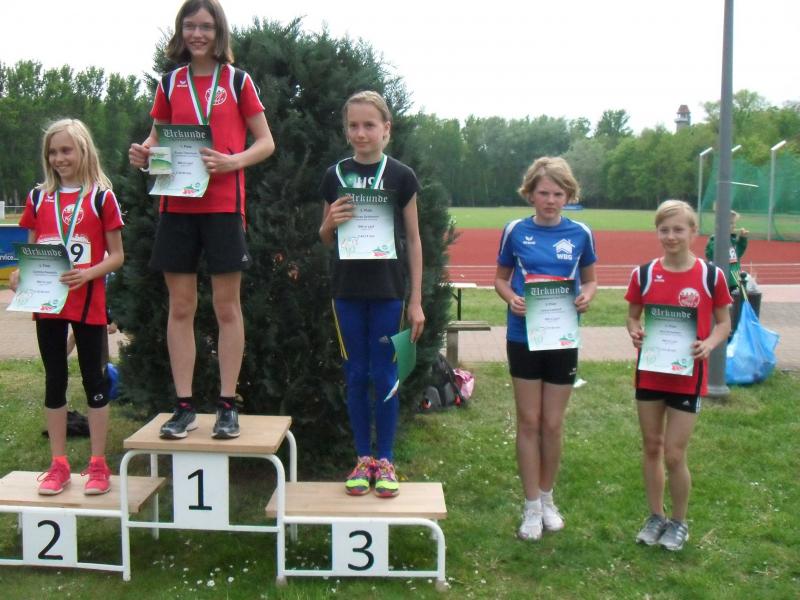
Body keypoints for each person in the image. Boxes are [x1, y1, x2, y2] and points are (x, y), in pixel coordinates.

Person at [128, 0, 275, 440]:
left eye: (206, 26)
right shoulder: (170, 83)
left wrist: (233, 162)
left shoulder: (238, 81)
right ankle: (184, 406)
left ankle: (227, 405)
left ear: (218, 32)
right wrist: (143, 153)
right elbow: (156, 137)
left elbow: (266, 142)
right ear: (181, 32)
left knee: (226, 307)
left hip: (224, 207)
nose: (197, 34)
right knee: (181, 307)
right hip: (176, 206)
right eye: (190, 26)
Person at [319, 91, 425, 498]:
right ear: (346, 130)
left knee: (384, 374)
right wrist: (330, 222)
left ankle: (386, 459)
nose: (360, 133)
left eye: (369, 125)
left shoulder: (401, 176)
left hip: (388, 292)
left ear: (386, 129)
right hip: (346, 291)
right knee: (355, 373)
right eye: (353, 125)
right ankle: (363, 458)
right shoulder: (334, 175)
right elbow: (325, 237)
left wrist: (416, 300)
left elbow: (414, 240)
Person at [10, 118, 124, 495]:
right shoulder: (38, 197)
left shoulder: (101, 197)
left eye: (66, 150)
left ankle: (98, 464)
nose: (58, 158)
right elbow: (32, 249)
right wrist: (19, 275)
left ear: (83, 151)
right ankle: (58, 464)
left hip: (88, 303)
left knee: (95, 379)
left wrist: (88, 273)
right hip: (48, 303)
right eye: (52, 152)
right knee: (54, 378)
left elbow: (117, 256)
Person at [494, 157, 597, 540]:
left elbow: (590, 281)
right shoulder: (515, 231)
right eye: (543, 193)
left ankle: (548, 498)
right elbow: (500, 279)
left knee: (552, 423)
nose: (550, 200)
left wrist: (586, 297)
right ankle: (531, 506)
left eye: (558, 194)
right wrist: (511, 298)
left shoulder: (581, 233)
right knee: (529, 421)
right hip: (523, 336)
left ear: (568, 195)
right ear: (530, 194)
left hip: (561, 338)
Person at [626, 200, 732, 551]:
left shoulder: (710, 276)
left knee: (674, 453)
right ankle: (655, 516)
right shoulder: (643, 274)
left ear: (693, 232)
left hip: (688, 376)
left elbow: (723, 322)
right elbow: (633, 316)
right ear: (657, 232)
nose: (671, 236)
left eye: (678, 229)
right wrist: (635, 331)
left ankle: (679, 522)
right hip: (651, 373)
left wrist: (709, 344)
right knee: (651, 446)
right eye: (664, 230)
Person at [705, 209, 748, 290]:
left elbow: (737, 254)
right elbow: (710, 255)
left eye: (734, 223)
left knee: (741, 295)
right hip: (721, 280)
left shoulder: (732, 240)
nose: (734, 226)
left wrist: (742, 239)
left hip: (735, 279)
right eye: (731, 223)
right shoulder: (714, 240)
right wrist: (720, 238)